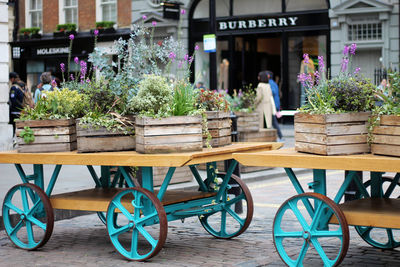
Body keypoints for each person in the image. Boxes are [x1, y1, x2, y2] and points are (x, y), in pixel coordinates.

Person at [266, 71, 283, 140]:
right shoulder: (273, 83)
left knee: (273, 121)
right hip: (276, 103)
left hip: (273, 104)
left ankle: (280, 136)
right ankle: (279, 136)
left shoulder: (270, 83)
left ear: (268, 76)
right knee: (273, 121)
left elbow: (272, 92)